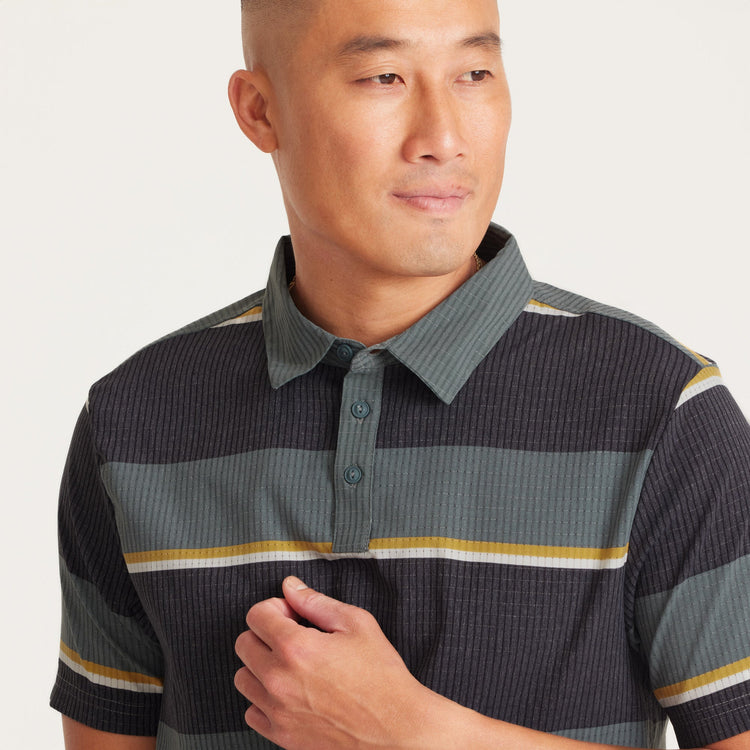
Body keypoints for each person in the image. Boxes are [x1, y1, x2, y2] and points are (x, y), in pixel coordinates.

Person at [51, 0, 750, 748]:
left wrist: (416, 733)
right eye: (384, 77)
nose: (444, 138)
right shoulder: (134, 418)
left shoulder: (663, 409)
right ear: (260, 111)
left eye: (474, 73)